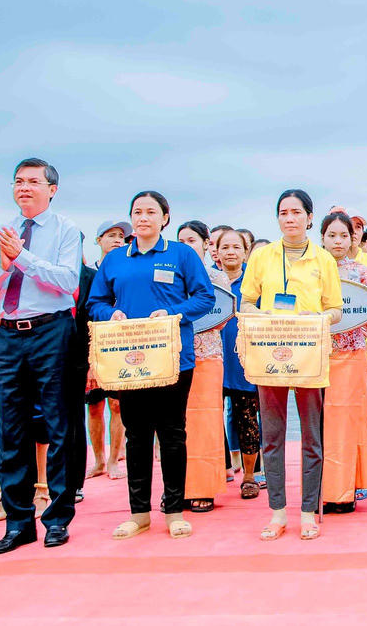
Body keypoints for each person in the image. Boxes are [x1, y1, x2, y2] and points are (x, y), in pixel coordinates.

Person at [0, 158, 82, 555]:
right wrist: (4, 264)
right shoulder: (0, 233)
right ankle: (18, 522)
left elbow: (69, 282)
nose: (24, 188)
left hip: (52, 330)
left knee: (58, 425)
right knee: (10, 429)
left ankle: (57, 517)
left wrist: (22, 258)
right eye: (18, 181)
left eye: (34, 181)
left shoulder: (66, 230)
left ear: (52, 189)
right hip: (8, 334)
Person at [88, 192, 215, 540]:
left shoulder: (182, 254)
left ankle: (174, 510)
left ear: (165, 217)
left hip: (174, 357)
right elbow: (95, 302)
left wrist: (175, 314)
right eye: (137, 212)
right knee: (137, 435)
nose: (143, 217)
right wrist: (109, 313)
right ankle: (138, 513)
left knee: (173, 434)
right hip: (130, 359)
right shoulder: (115, 259)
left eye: (151, 212)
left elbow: (205, 297)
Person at [244, 189, 343, 541]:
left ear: (309, 217)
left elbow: (336, 310)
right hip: (270, 354)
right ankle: (277, 511)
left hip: (309, 355)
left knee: (311, 437)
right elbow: (248, 301)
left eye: (296, 212)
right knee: (272, 437)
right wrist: (263, 315)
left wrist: (315, 318)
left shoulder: (323, 260)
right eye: (283, 212)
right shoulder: (262, 257)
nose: (290, 218)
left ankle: (307, 512)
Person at [319, 212, 367, 513]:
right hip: (317, 357)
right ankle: (321, 489)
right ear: (322, 238)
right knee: (321, 424)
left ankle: (345, 490)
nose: (338, 241)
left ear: (352, 239)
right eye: (332, 235)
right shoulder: (311, 269)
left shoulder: (361, 273)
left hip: (353, 355)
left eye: (344, 236)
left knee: (349, 422)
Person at [175, 220, 231, 514]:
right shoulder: (169, 277)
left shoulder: (217, 278)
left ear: (207, 244)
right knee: (175, 424)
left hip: (207, 355)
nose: (187, 246)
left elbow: (222, 317)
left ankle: (204, 488)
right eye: (181, 241)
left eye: (192, 240)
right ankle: (178, 488)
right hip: (174, 357)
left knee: (206, 421)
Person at [215, 230, 262, 500]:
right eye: (225, 247)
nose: (231, 252)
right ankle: (216, 470)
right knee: (211, 418)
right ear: (217, 251)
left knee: (247, 418)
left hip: (243, 360)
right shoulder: (209, 282)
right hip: (211, 358)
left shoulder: (253, 283)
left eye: (237, 247)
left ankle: (249, 475)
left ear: (246, 252)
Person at [86, 220, 130, 480]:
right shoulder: (87, 273)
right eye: (110, 235)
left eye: (121, 237)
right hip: (90, 343)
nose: (116, 240)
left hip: (119, 345)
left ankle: (114, 460)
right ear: (98, 240)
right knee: (93, 406)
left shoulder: (125, 270)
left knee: (117, 405)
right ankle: (99, 461)